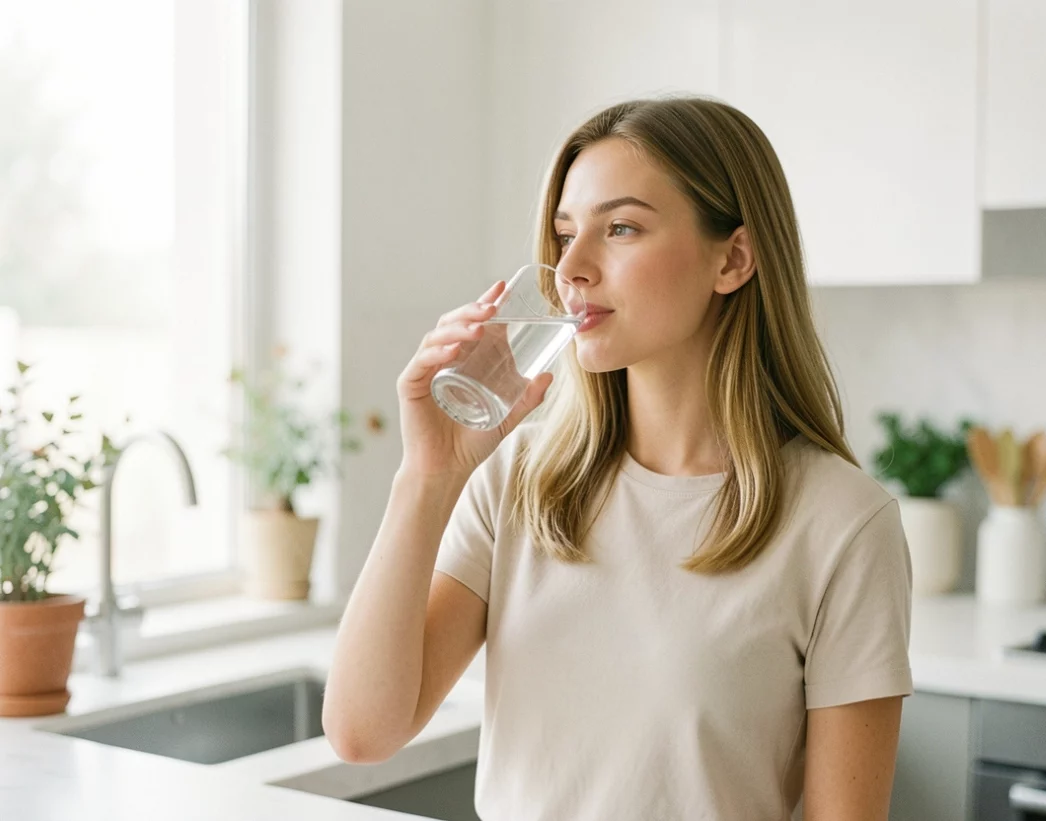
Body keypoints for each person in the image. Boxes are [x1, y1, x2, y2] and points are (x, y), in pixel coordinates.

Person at [323, 96, 913, 821]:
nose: (571, 267)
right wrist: (429, 477)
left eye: (621, 228)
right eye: (565, 234)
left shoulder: (843, 524)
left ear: (732, 258)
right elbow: (361, 731)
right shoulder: (516, 483)